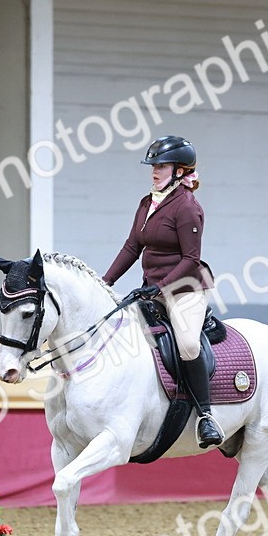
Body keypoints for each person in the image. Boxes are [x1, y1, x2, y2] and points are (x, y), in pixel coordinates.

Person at [102, 135, 223, 448]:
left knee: (186, 345)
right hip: (152, 289)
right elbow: (133, 245)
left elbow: (191, 259)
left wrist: (160, 286)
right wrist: (106, 281)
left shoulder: (187, 208)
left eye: (161, 165)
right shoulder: (147, 203)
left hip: (186, 288)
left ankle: (207, 416)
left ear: (180, 170)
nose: (154, 171)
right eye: (153, 165)